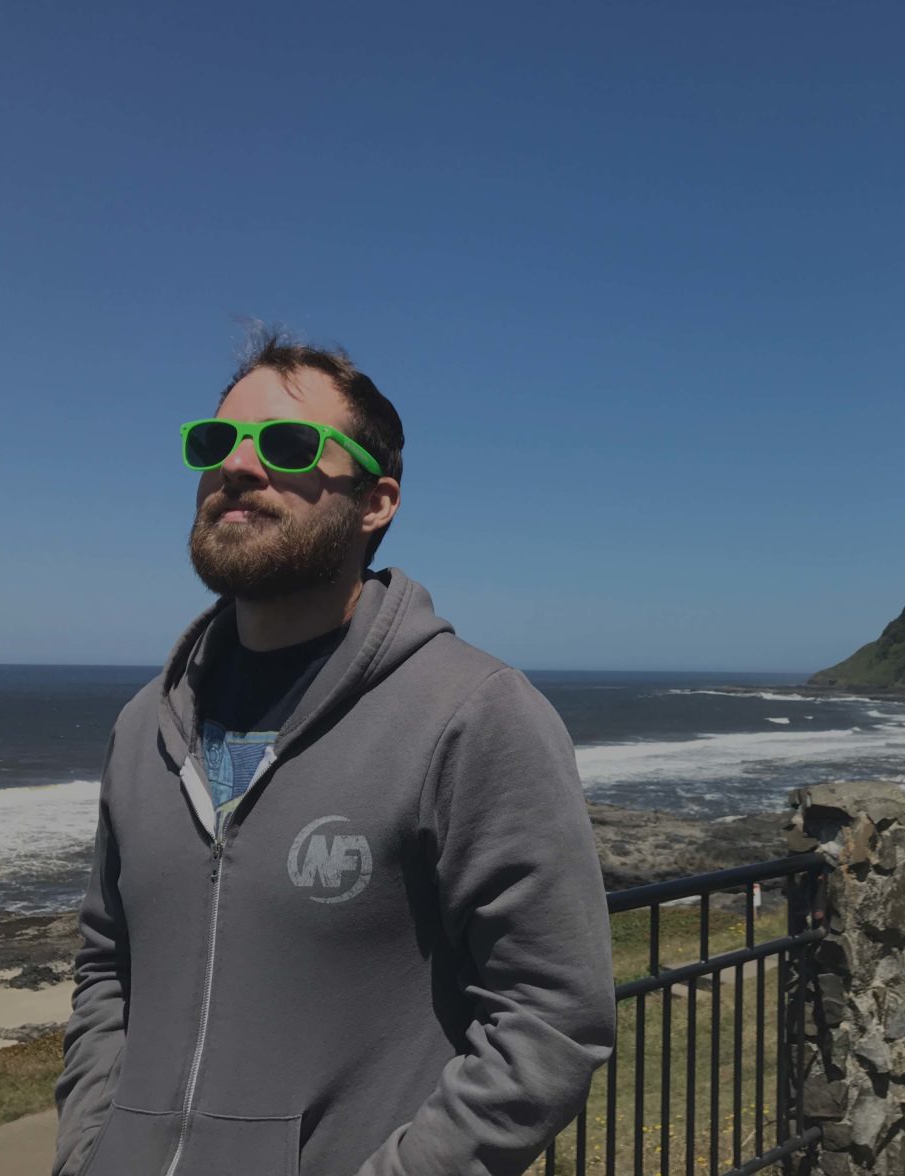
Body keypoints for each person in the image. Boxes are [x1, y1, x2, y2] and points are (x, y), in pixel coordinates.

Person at [53, 333, 616, 1176]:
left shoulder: (470, 714)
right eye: (214, 443)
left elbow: (553, 1016)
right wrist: (89, 1152)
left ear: (375, 500)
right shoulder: (145, 726)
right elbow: (107, 964)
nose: (237, 466)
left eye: (285, 445)